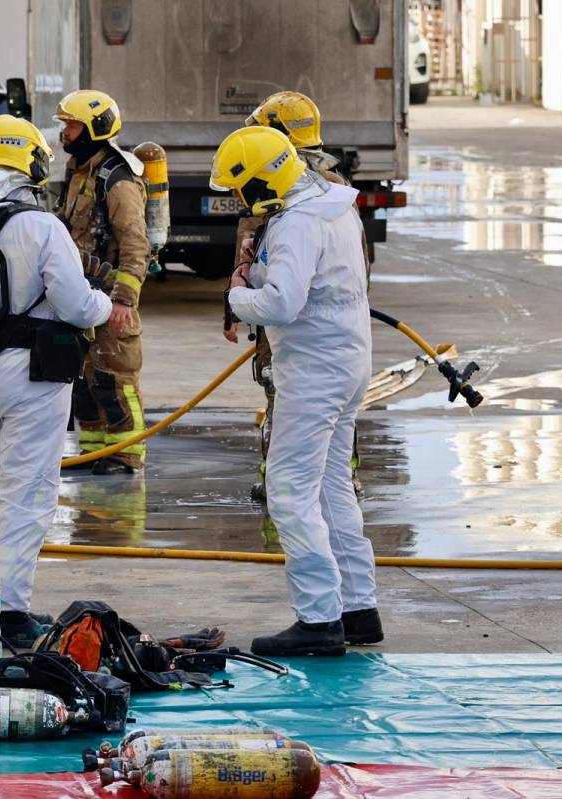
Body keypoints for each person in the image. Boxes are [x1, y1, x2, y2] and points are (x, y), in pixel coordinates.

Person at [212, 126, 379, 656]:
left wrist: (239, 297)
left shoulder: (297, 223)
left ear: (262, 181)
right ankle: (358, 608)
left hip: (314, 370)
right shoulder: (333, 203)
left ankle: (318, 617)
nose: (242, 202)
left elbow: (282, 304)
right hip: (348, 360)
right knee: (331, 487)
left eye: (242, 190)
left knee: (288, 488)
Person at [0, 114, 113, 647]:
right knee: (29, 495)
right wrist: (103, 300)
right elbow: (76, 304)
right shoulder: (42, 226)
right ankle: (11, 612)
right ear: (31, 164)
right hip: (36, 373)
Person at [226, 91, 361, 502]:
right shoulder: (319, 185)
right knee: (292, 402)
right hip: (299, 319)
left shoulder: (300, 189)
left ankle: (293, 482)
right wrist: (240, 293)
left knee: (293, 405)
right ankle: (308, 480)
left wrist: (240, 299)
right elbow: (254, 243)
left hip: (305, 327)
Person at [54, 90, 151, 474]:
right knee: (85, 381)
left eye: (73, 125)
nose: (66, 132)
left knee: (115, 379)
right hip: (81, 295)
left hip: (111, 298)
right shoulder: (79, 171)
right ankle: (94, 452)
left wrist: (125, 300)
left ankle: (127, 455)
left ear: (94, 128)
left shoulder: (117, 178)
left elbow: (134, 242)